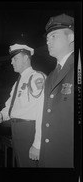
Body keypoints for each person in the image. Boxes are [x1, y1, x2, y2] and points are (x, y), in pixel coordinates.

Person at [0, 44, 46, 167]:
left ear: (26, 58)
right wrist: (0, 116)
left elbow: (42, 111)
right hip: (17, 130)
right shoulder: (18, 81)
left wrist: (37, 143)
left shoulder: (37, 78)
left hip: (30, 130)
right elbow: (10, 106)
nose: (11, 62)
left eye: (15, 59)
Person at [39, 14, 74, 168]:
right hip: (50, 156)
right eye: (47, 38)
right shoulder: (51, 76)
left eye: (54, 36)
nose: (48, 41)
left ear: (71, 37)